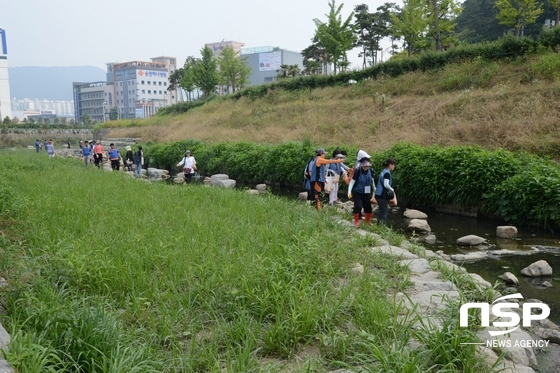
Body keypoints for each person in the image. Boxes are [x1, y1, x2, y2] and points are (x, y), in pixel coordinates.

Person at [348, 159, 375, 227]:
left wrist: (375, 189)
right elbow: (352, 182)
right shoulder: (358, 171)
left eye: (367, 166)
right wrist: (349, 191)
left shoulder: (371, 171)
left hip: (366, 191)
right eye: (364, 166)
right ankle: (356, 221)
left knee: (368, 207)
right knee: (357, 206)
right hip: (357, 191)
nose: (366, 167)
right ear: (362, 166)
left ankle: (368, 221)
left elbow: (372, 181)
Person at [374, 158, 397, 226]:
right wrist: (392, 189)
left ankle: (379, 224)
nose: (394, 166)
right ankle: (382, 225)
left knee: (382, 210)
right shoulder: (387, 173)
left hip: (378, 194)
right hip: (382, 195)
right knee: (384, 211)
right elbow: (386, 184)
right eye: (393, 165)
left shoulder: (383, 171)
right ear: (390, 165)